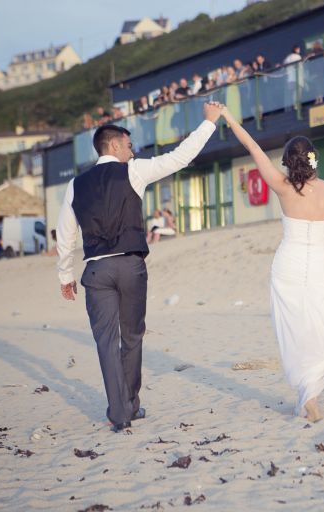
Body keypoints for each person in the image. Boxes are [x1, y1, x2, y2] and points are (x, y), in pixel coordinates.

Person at [56, 102, 224, 432]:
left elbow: (65, 235)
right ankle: (131, 404)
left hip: (96, 271)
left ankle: (119, 413)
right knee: (132, 337)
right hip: (130, 266)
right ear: (114, 145)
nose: (132, 151)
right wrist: (209, 122)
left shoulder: (76, 185)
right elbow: (180, 157)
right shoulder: (134, 171)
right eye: (129, 145)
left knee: (106, 342)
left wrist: (65, 276)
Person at [219, 106, 324, 423]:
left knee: (294, 329)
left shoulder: (282, 186)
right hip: (320, 262)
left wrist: (228, 116)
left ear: (289, 162)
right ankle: (311, 393)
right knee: (321, 325)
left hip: (288, 263)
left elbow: (252, 146)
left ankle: (308, 394)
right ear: (315, 159)